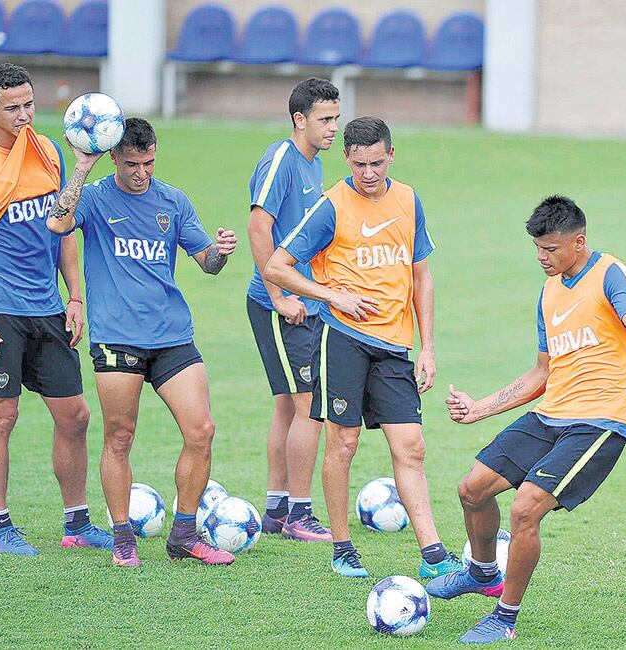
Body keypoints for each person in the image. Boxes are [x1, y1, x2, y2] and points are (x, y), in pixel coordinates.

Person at [429, 195, 626, 644]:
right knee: (472, 488)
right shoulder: (548, 291)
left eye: (551, 249)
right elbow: (542, 373)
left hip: (601, 420)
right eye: (538, 250)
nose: (542, 258)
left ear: (578, 242)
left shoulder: (610, 274)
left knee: (526, 506)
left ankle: (504, 618)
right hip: (551, 414)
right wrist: (479, 408)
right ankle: (483, 572)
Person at [264, 116, 464, 579]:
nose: (368, 173)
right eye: (359, 164)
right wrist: (333, 295)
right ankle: (342, 547)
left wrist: (427, 348)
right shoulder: (331, 205)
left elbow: (421, 277)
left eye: (376, 163)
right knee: (344, 442)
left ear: (391, 155)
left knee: (411, 446)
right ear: (347, 159)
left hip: (395, 346)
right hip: (343, 340)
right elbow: (277, 267)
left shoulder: (410, 200)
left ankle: (433, 553)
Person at [46, 117, 238, 568]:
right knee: (119, 436)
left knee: (202, 430)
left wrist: (221, 252)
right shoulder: (93, 198)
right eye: (132, 163)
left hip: (172, 335)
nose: (141, 173)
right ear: (114, 157)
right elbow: (57, 224)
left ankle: (184, 534)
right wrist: (82, 166)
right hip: (117, 339)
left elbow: (206, 263)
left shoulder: (173, 201)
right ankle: (123, 537)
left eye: (149, 162)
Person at [0, 63, 111, 556]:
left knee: (75, 415)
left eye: (29, 105)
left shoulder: (50, 151)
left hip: (47, 306)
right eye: (12, 108)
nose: (23, 115)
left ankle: (76, 523)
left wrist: (75, 296)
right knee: (2, 416)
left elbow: (63, 228)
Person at [246, 78, 339, 541]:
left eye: (336, 118)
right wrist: (280, 295)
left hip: (303, 302)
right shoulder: (282, 159)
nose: (333, 128)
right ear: (299, 119)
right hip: (279, 305)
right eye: (325, 119)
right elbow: (258, 227)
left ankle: (277, 509)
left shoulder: (313, 163)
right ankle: (300, 515)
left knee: (288, 406)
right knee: (309, 408)